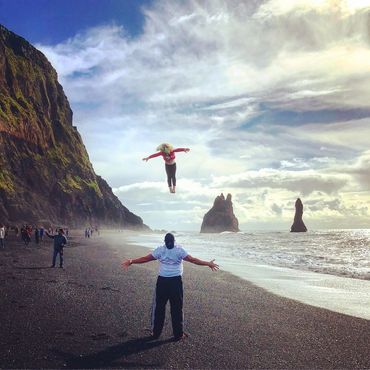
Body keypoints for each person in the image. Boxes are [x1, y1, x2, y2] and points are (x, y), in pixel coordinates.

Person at [122, 233, 219, 340]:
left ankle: (171, 334)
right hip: (170, 282)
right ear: (165, 242)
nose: (169, 244)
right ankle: (164, 333)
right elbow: (146, 258)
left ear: (174, 241)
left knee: (173, 308)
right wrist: (132, 261)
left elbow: (193, 260)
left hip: (170, 282)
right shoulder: (171, 250)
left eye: (170, 243)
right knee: (163, 308)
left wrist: (207, 264)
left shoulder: (174, 250)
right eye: (167, 243)